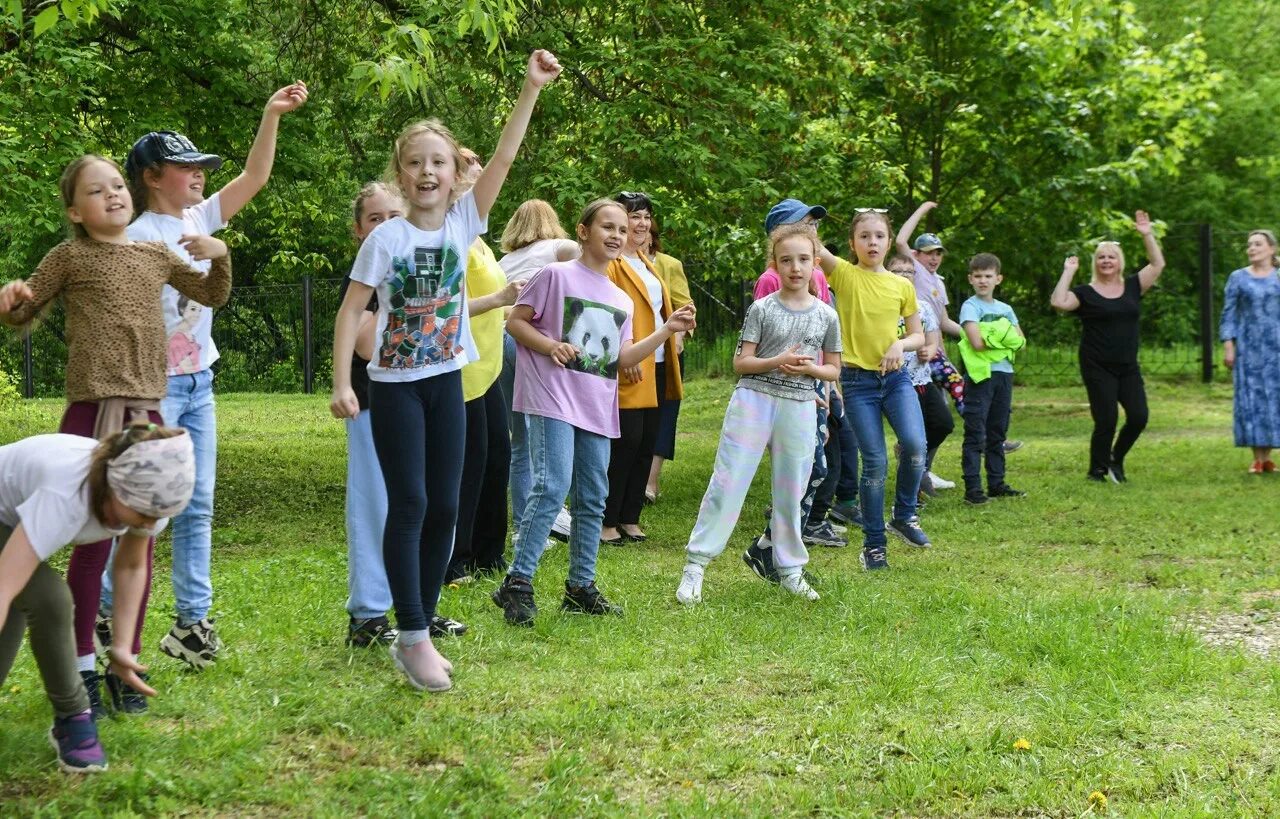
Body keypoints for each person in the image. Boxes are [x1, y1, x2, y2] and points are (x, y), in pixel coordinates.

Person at [330, 49, 562, 693]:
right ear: (401, 176)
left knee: (446, 508)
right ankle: (410, 633)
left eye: (438, 161)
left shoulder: (464, 222)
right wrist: (344, 383)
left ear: (452, 172)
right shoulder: (387, 239)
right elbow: (351, 312)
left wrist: (530, 88)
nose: (427, 171)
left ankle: (421, 624)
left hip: (446, 382)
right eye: (415, 163)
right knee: (410, 502)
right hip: (396, 388)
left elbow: (508, 158)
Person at [0, 154, 231, 715]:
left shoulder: (155, 253)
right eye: (95, 191)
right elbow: (25, 308)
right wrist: (12, 299)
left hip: (147, 417)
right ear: (75, 212)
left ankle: (123, 660)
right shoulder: (70, 256)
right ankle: (81, 665)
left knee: (140, 540)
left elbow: (210, 296)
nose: (112, 195)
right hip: (91, 413)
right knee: (89, 541)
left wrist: (221, 256)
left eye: (117, 186)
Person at [117, 81, 308, 670]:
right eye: (185, 167)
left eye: (201, 167)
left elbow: (254, 177)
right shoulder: (134, 235)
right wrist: (201, 252)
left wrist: (270, 113)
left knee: (198, 503)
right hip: (156, 385)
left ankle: (191, 624)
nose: (198, 175)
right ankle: (105, 611)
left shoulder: (200, 215)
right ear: (152, 176)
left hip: (201, 380)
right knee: (145, 503)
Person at [492, 199, 696, 626]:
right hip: (551, 396)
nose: (618, 235)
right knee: (551, 487)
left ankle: (580, 587)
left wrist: (665, 330)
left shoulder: (618, 297)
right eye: (608, 226)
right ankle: (518, 582)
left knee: (593, 498)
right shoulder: (555, 275)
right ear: (583, 231)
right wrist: (550, 346)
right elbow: (515, 323)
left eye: (623, 229)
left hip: (596, 405)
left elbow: (622, 359)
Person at [0, 425, 194, 773]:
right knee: (51, 599)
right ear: (113, 482)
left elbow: (131, 567)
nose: (147, 524)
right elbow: (3, 587)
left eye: (155, 517)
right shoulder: (64, 493)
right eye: (141, 514)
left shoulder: (147, 502)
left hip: (13, 518)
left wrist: (120, 647)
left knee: (28, 598)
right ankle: (73, 717)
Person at [677, 222, 840, 605]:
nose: (795, 268)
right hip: (754, 399)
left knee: (792, 488)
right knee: (729, 480)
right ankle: (695, 566)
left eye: (803, 260)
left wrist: (811, 371)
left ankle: (790, 570)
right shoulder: (761, 308)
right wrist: (778, 361)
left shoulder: (826, 315)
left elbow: (833, 369)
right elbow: (741, 363)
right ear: (775, 265)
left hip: (800, 404)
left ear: (815, 262)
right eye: (786, 261)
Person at [817, 209, 928, 571]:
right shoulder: (845, 275)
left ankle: (905, 515)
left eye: (879, 236)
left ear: (888, 239)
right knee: (876, 462)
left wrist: (901, 344)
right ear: (853, 244)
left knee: (914, 445)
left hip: (895, 380)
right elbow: (812, 245)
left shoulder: (902, 285)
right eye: (864, 236)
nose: (872, 242)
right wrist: (803, 216)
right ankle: (874, 545)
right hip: (857, 382)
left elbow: (918, 335)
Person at [897, 201, 1022, 467]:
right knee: (953, 396)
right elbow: (900, 241)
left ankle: (928, 468)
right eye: (928, 252)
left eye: (938, 253)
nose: (934, 258)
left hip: (936, 353)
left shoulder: (937, 282)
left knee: (945, 407)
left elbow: (944, 321)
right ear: (916, 255)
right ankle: (989, 439)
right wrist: (922, 210)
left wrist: (973, 335)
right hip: (918, 353)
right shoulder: (914, 271)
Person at [448, 149, 523, 583]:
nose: (480, 166)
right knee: (468, 465)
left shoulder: (478, 240)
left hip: (489, 367)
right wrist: (498, 299)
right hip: (463, 371)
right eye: (473, 165)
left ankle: (488, 555)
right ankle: (455, 559)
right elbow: (448, 306)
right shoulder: (451, 238)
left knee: (497, 456)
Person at [1050, 211, 1165, 482]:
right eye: (1101, 257)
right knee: (1106, 420)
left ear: (1119, 261)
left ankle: (1115, 459)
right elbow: (1058, 302)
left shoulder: (1134, 286)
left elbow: (1157, 264)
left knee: (1139, 416)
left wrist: (1147, 234)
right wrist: (1068, 272)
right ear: (1096, 263)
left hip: (1127, 365)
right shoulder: (1085, 293)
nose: (1106, 261)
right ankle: (1097, 470)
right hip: (1096, 364)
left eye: (1111, 256)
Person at [600, 191, 685, 545]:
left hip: (660, 361)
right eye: (634, 216)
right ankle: (606, 522)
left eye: (646, 217)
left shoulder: (648, 263)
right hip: (632, 363)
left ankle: (630, 518)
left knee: (648, 438)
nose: (642, 223)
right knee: (626, 442)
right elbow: (607, 313)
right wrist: (624, 354)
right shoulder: (611, 263)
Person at [496, 199, 579, 545]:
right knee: (546, 429)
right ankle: (548, 515)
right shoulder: (559, 247)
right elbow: (582, 263)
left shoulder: (503, 262)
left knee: (519, 439)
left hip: (503, 342)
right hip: (536, 343)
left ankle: (522, 527)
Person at [958, 253, 1027, 504]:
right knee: (976, 432)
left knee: (998, 431)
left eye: (988, 276)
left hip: (1004, 375)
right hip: (980, 376)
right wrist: (1002, 335)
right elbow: (976, 342)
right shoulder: (970, 306)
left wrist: (992, 335)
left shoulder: (1005, 309)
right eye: (978, 276)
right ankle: (973, 489)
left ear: (998, 278)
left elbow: (1019, 342)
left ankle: (997, 483)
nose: (983, 281)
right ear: (971, 279)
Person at [888, 254, 953, 498]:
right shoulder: (883, 304)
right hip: (895, 381)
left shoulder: (922, 306)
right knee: (914, 436)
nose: (904, 275)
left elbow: (933, 336)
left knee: (943, 424)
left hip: (923, 379)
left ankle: (919, 466)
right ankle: (916, 484)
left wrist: (930, 348)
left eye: (909, 272)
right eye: (898, 271)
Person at [1220, 230, 1280, 473]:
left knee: (1275, 398)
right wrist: (1228, 345)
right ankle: (1258, 457)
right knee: (1252, 400)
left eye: (1258, 244)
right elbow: (1228, 313)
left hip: (1276, 349)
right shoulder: (1238, 278)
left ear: (1271, 248)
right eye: (1249, 245)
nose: (1252, 248)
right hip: (1248, 349)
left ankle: (1269, 456)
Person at [645, 221, 693, 504]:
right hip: (632, 352)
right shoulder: (614, 262)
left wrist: (679, 335)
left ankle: (650, 482)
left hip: (666, 352)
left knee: (664, 415)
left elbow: (685, 305)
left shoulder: (668, 264)